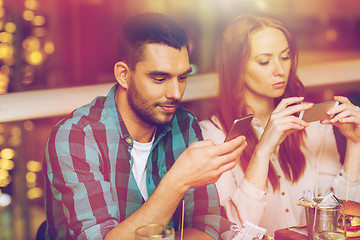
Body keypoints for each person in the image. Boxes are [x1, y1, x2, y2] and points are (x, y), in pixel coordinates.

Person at [43, 12, 247, 240]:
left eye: (182, 78)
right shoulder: (76, 137)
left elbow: (208, 226)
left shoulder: (185, 124)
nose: (175, 93)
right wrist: (178, 180)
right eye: (159, 79)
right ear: (123, 75)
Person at [200, 13, 360, 236]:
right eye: (264, 61)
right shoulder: (212, 135)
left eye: (285, 57)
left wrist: (355, 143)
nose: (280, 70)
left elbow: (337, 216)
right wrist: (263, 150)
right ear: (236, 67)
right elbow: (233, 233)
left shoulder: (311, 120)